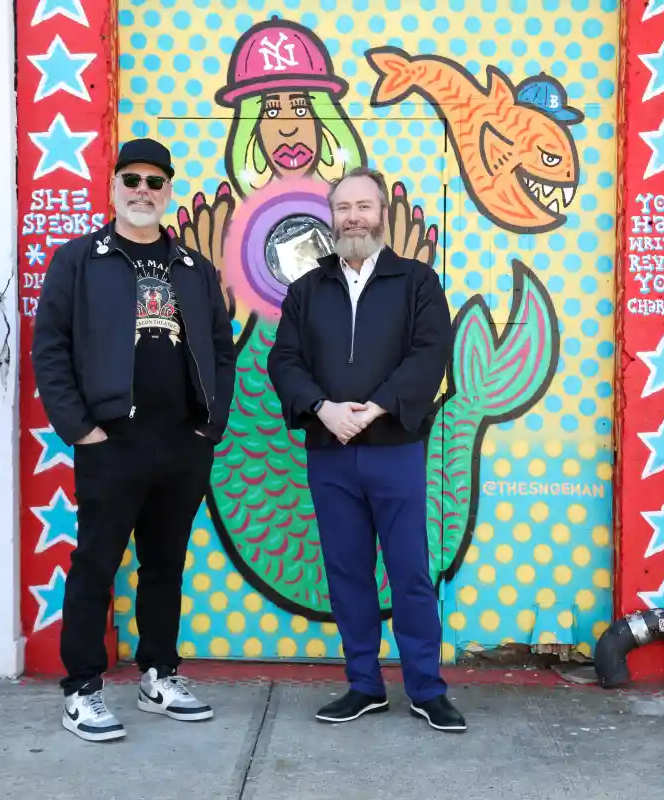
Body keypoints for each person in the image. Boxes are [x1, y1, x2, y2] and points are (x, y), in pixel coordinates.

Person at [32, 138, 236, 742]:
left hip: (181, 444)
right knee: (96, 564)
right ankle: (83, 690)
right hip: (110, 442)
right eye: (132, 180)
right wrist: (82, 430)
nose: (143, 191)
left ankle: (158, 674)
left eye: (155, 182)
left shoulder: (196, 269)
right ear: (114, 187)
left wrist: (210, 426)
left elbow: (222, 353)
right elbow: (51, 351)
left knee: (164, 564)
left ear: (168, 191)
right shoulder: (79, 260)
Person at [267, 166, 467, 733]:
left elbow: (430, 353)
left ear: (384, 214)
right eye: (343, 207)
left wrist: (376, 407)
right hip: (329, 451)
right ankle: (364, 685)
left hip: (395, 449)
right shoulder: (308, 289)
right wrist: (323, 408)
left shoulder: (418, 282)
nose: (354, 217)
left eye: (364, 206)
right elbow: (284, 360)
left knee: (409, 573)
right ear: (331, 217)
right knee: (347, 571)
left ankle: (427, 689)